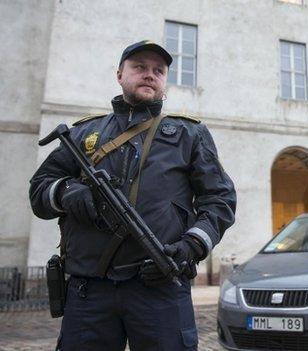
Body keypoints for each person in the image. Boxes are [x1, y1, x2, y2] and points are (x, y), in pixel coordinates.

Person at [29, 40, 236, 351]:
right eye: (139, 67)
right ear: (119, 74)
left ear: (165, 82)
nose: (149, 74)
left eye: (158, 70)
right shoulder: (84, 133)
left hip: (159, 286)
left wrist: (190, 245)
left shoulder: (189, 134)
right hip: (89, 290)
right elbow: (39, 189)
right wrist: (67, 191)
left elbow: (219, 201)